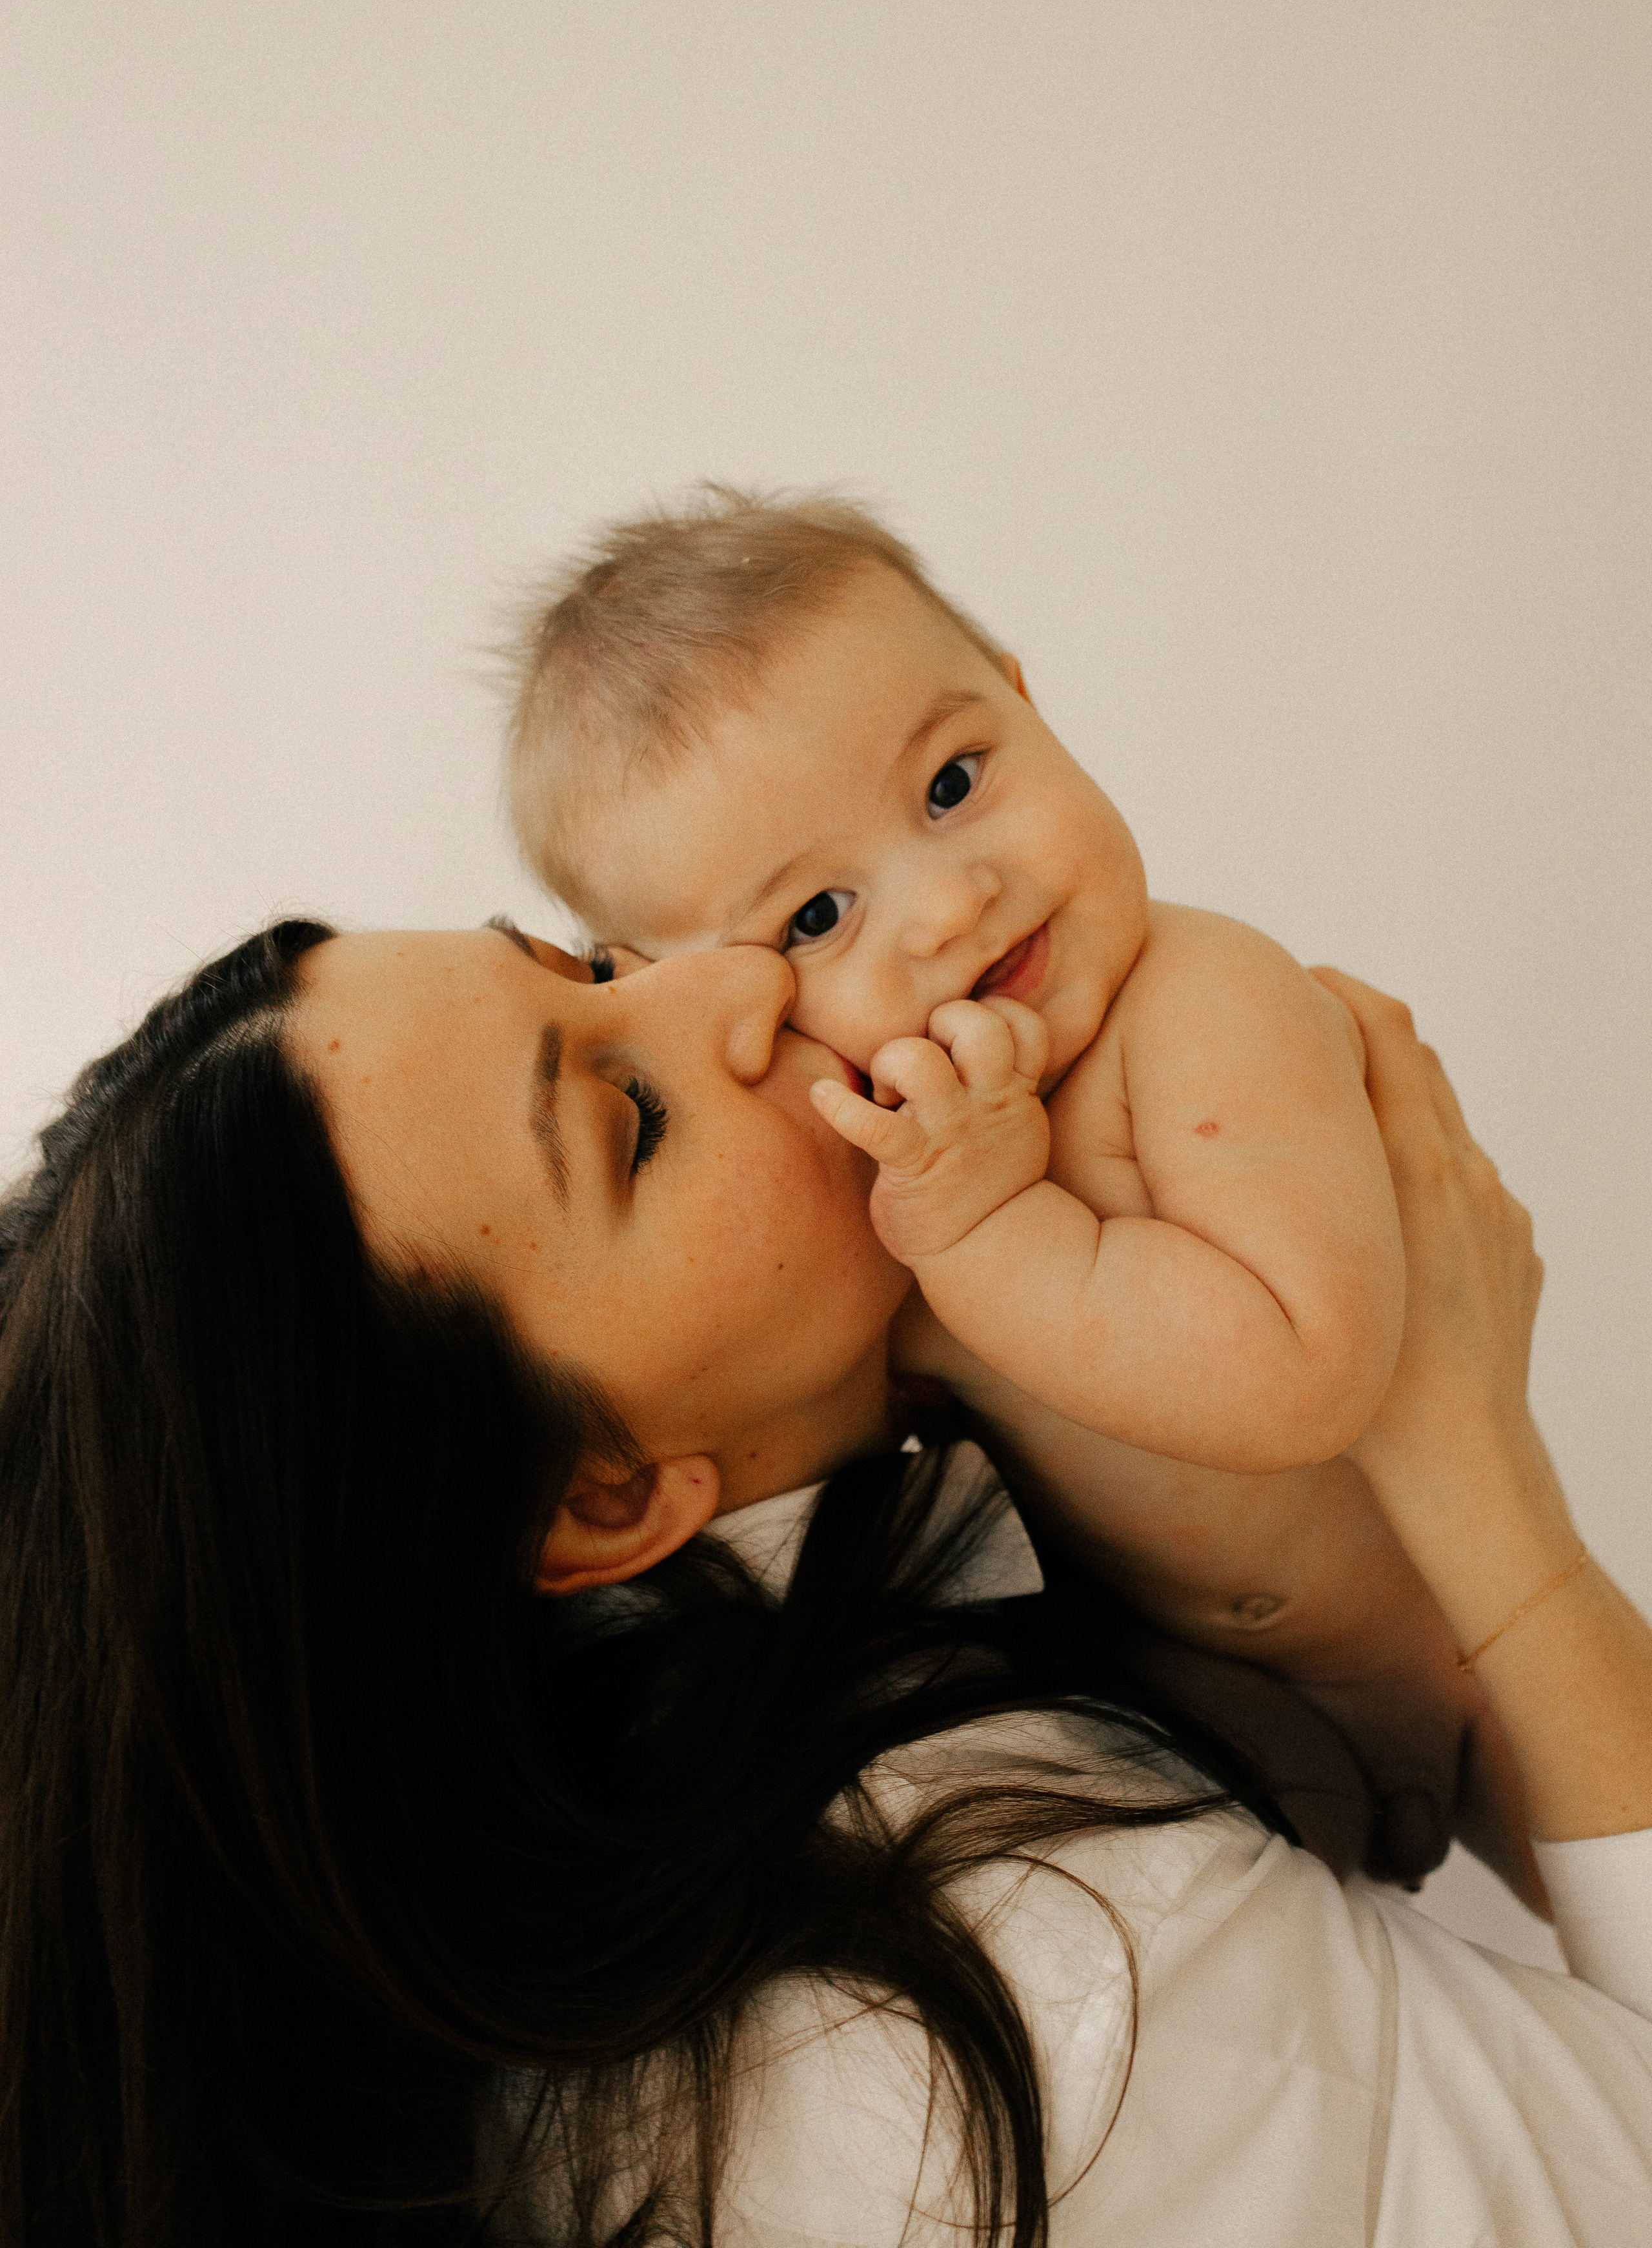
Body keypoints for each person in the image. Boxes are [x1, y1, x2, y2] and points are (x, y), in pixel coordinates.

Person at [0, 920, 1647, 2245]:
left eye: (588, 966)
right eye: (628, 1120)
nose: (740, 976)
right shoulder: (1044, 1989)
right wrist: (1470, 1466)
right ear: (612, 1496)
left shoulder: (659, 1889)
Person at [503, 487, 1405, 1475]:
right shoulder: (893, 1169)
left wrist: (988, 1227)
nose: (948, 909)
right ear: (716, 997)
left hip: (1433, 1634)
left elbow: (1303, 1378)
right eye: (817, 916)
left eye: (952, 783)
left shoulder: (1202, 1001)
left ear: (1026, 703)